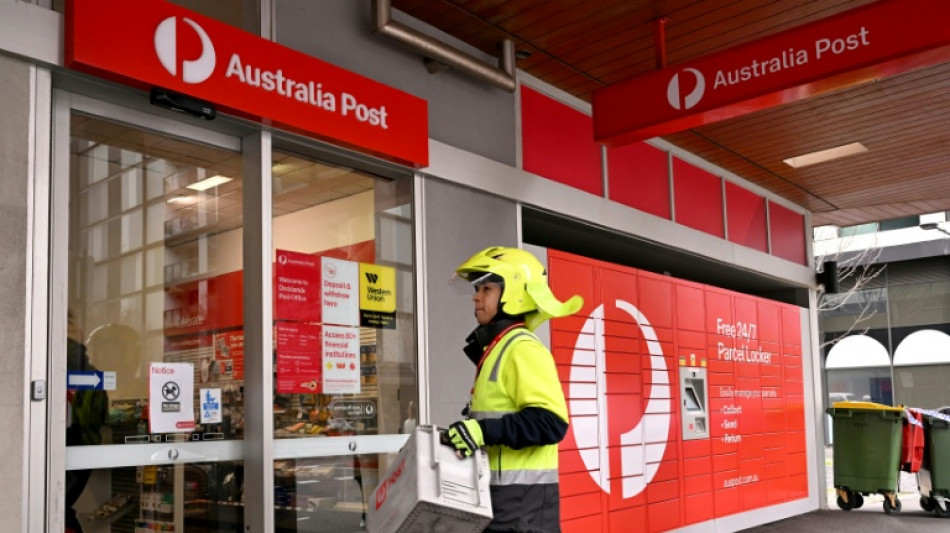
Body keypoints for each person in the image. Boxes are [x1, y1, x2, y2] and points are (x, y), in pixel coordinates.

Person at [444, 246, 582, 533]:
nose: (477, 296)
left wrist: (483, 431)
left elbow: (551, 422)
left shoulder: (522, 348)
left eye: (487, 288)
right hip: (502, 503)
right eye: (477, 288)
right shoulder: (497, 348)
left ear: (514, 293)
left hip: (524, 508)